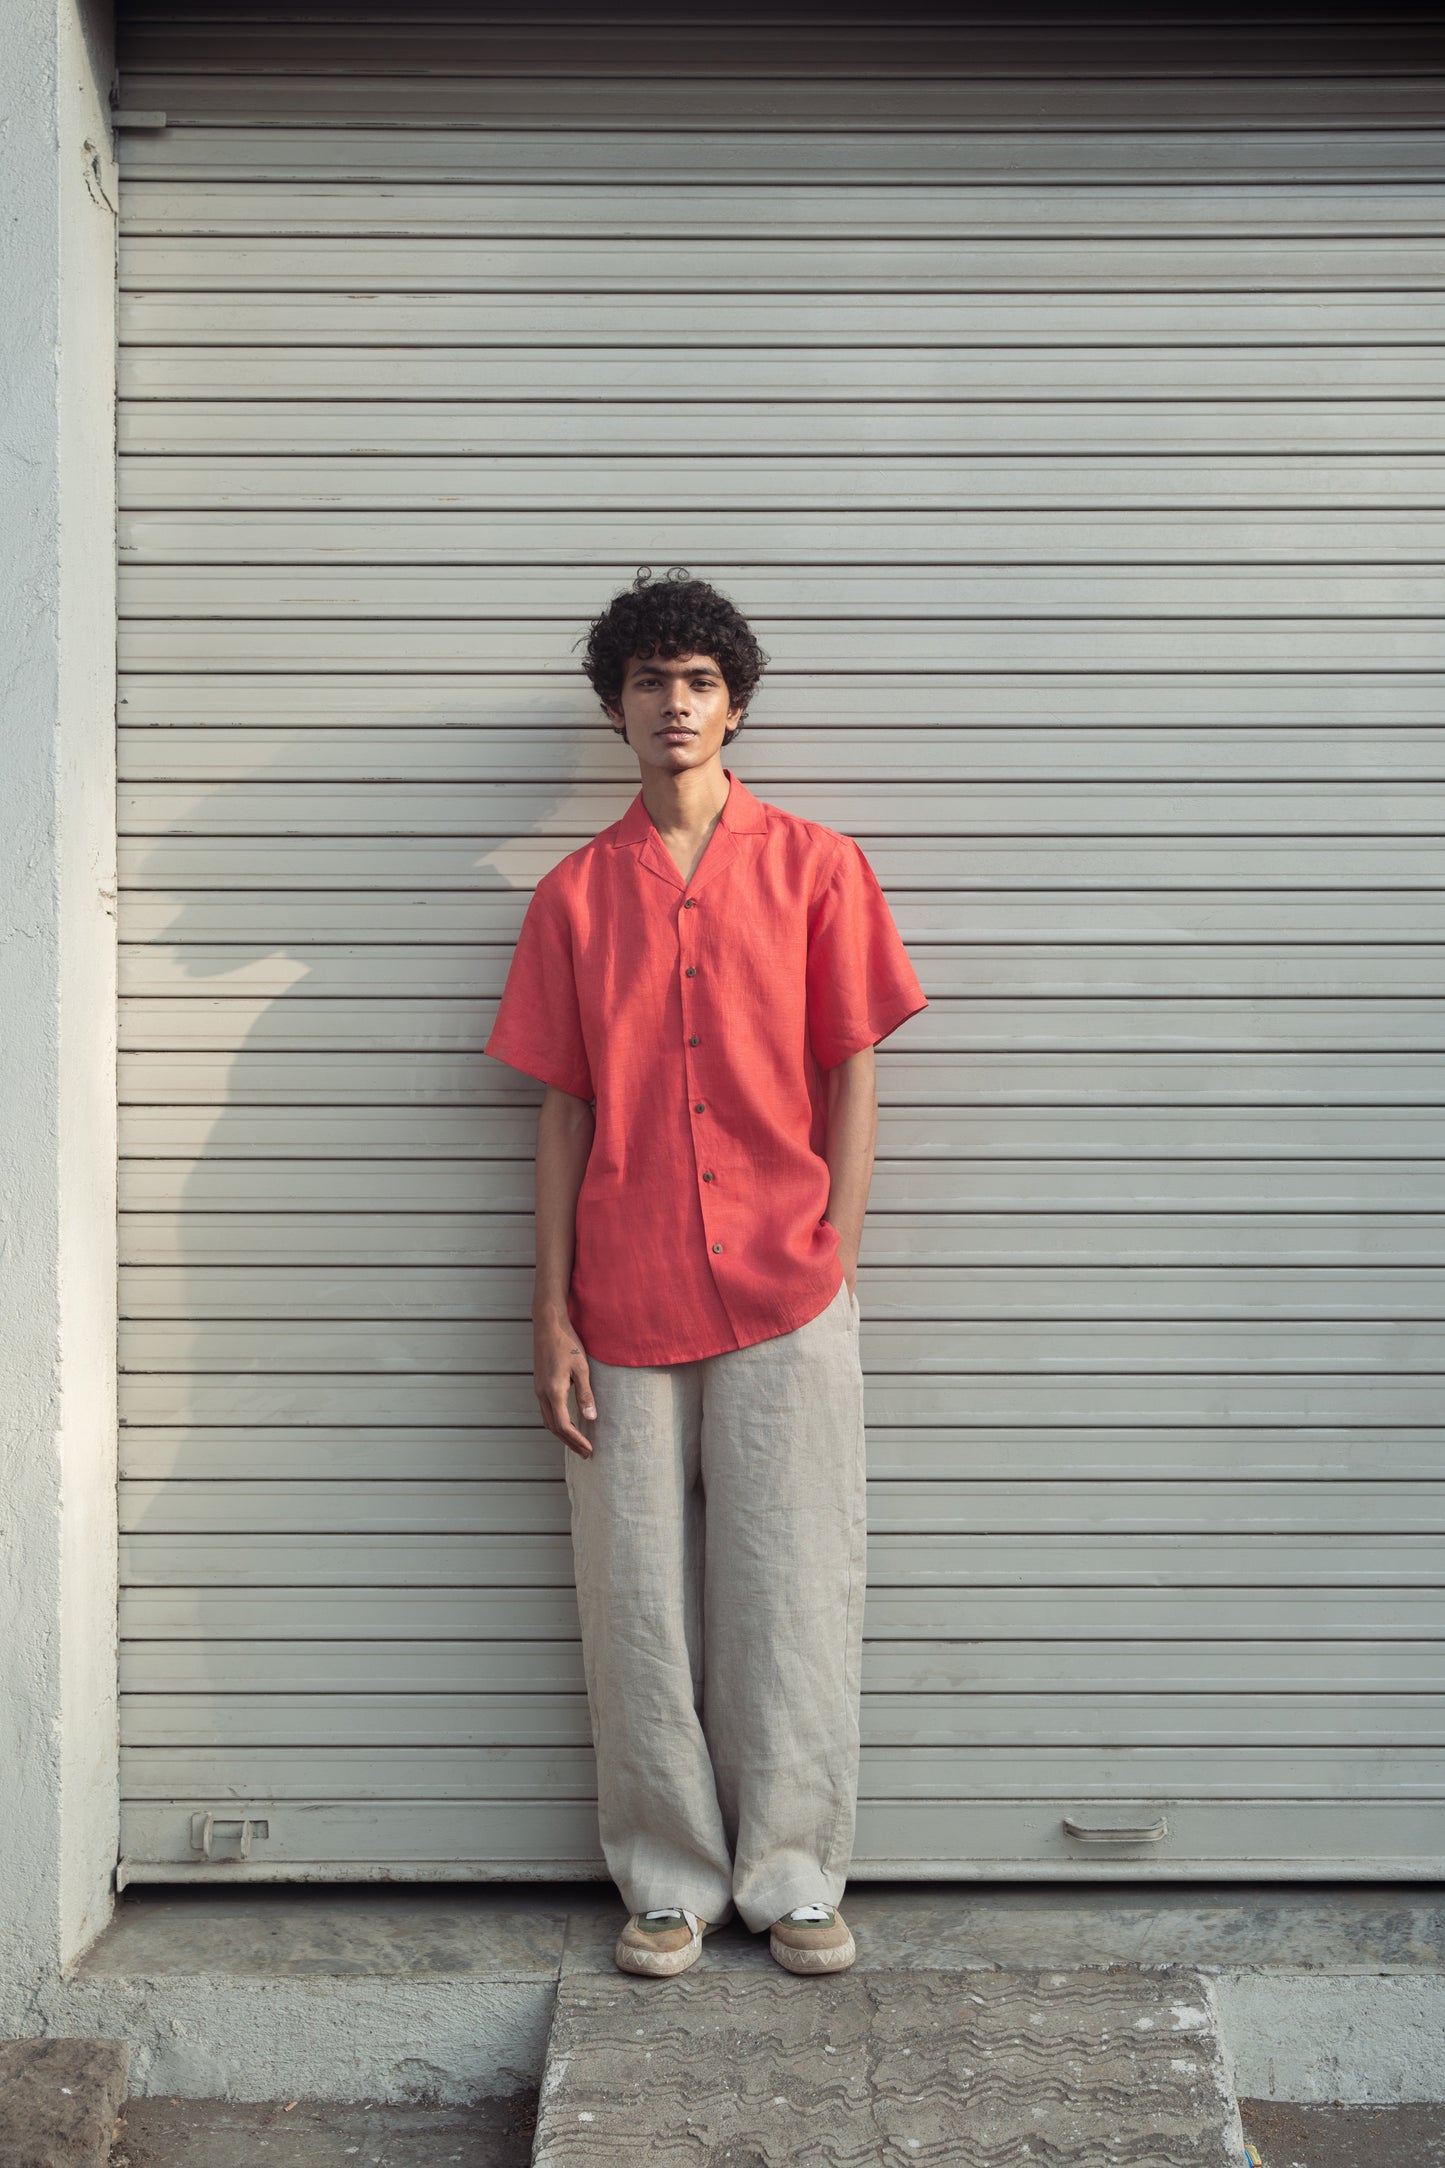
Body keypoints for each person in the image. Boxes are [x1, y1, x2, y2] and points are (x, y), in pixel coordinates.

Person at [483, 569, 928, 1978]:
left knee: (792, 1584)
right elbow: (561, 1108)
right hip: (620, 1290)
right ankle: (665, 1874)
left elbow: (851, 1070)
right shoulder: (572, 897)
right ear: (612, 711)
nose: (672, 705)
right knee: (634, 1596)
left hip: (787, 1294)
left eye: (696, 681)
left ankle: (794, 1873)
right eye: (646, 682)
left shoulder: (817, 866)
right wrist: (549, 1308)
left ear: (733, 704)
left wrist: (834, 1249)